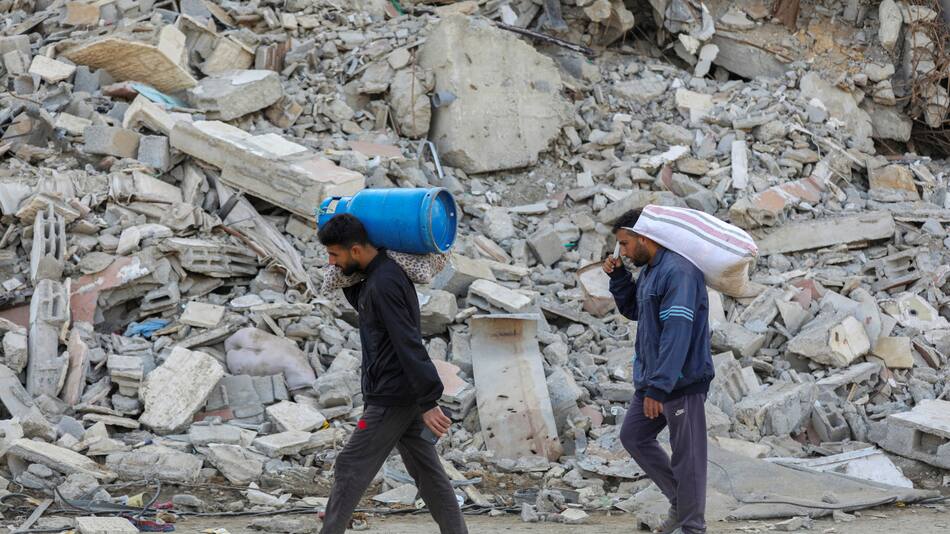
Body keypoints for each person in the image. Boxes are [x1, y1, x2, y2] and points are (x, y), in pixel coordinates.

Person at [317, 213, 468, 534]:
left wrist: (429, 401)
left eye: (334, 255)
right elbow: (365, 305)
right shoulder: (377, 277)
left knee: (350, 465)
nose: (331, 263)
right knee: (428, 473)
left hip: (391, 397)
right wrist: (344, 274)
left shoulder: (384, 282)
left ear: (356, 250)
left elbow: (408, 341)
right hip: (402, 394)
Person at [603, 209, 714, 534]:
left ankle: (692, 527)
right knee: (634, 436)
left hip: (680, 382)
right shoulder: (652, 271)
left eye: (625, 244)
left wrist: (659, 388)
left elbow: (677, 333)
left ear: (644, 237)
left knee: (687, 457)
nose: (622, 251)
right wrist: (619, 278)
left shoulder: (679, 272)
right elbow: (636, 310)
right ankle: (681, 504)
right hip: (656, 379)